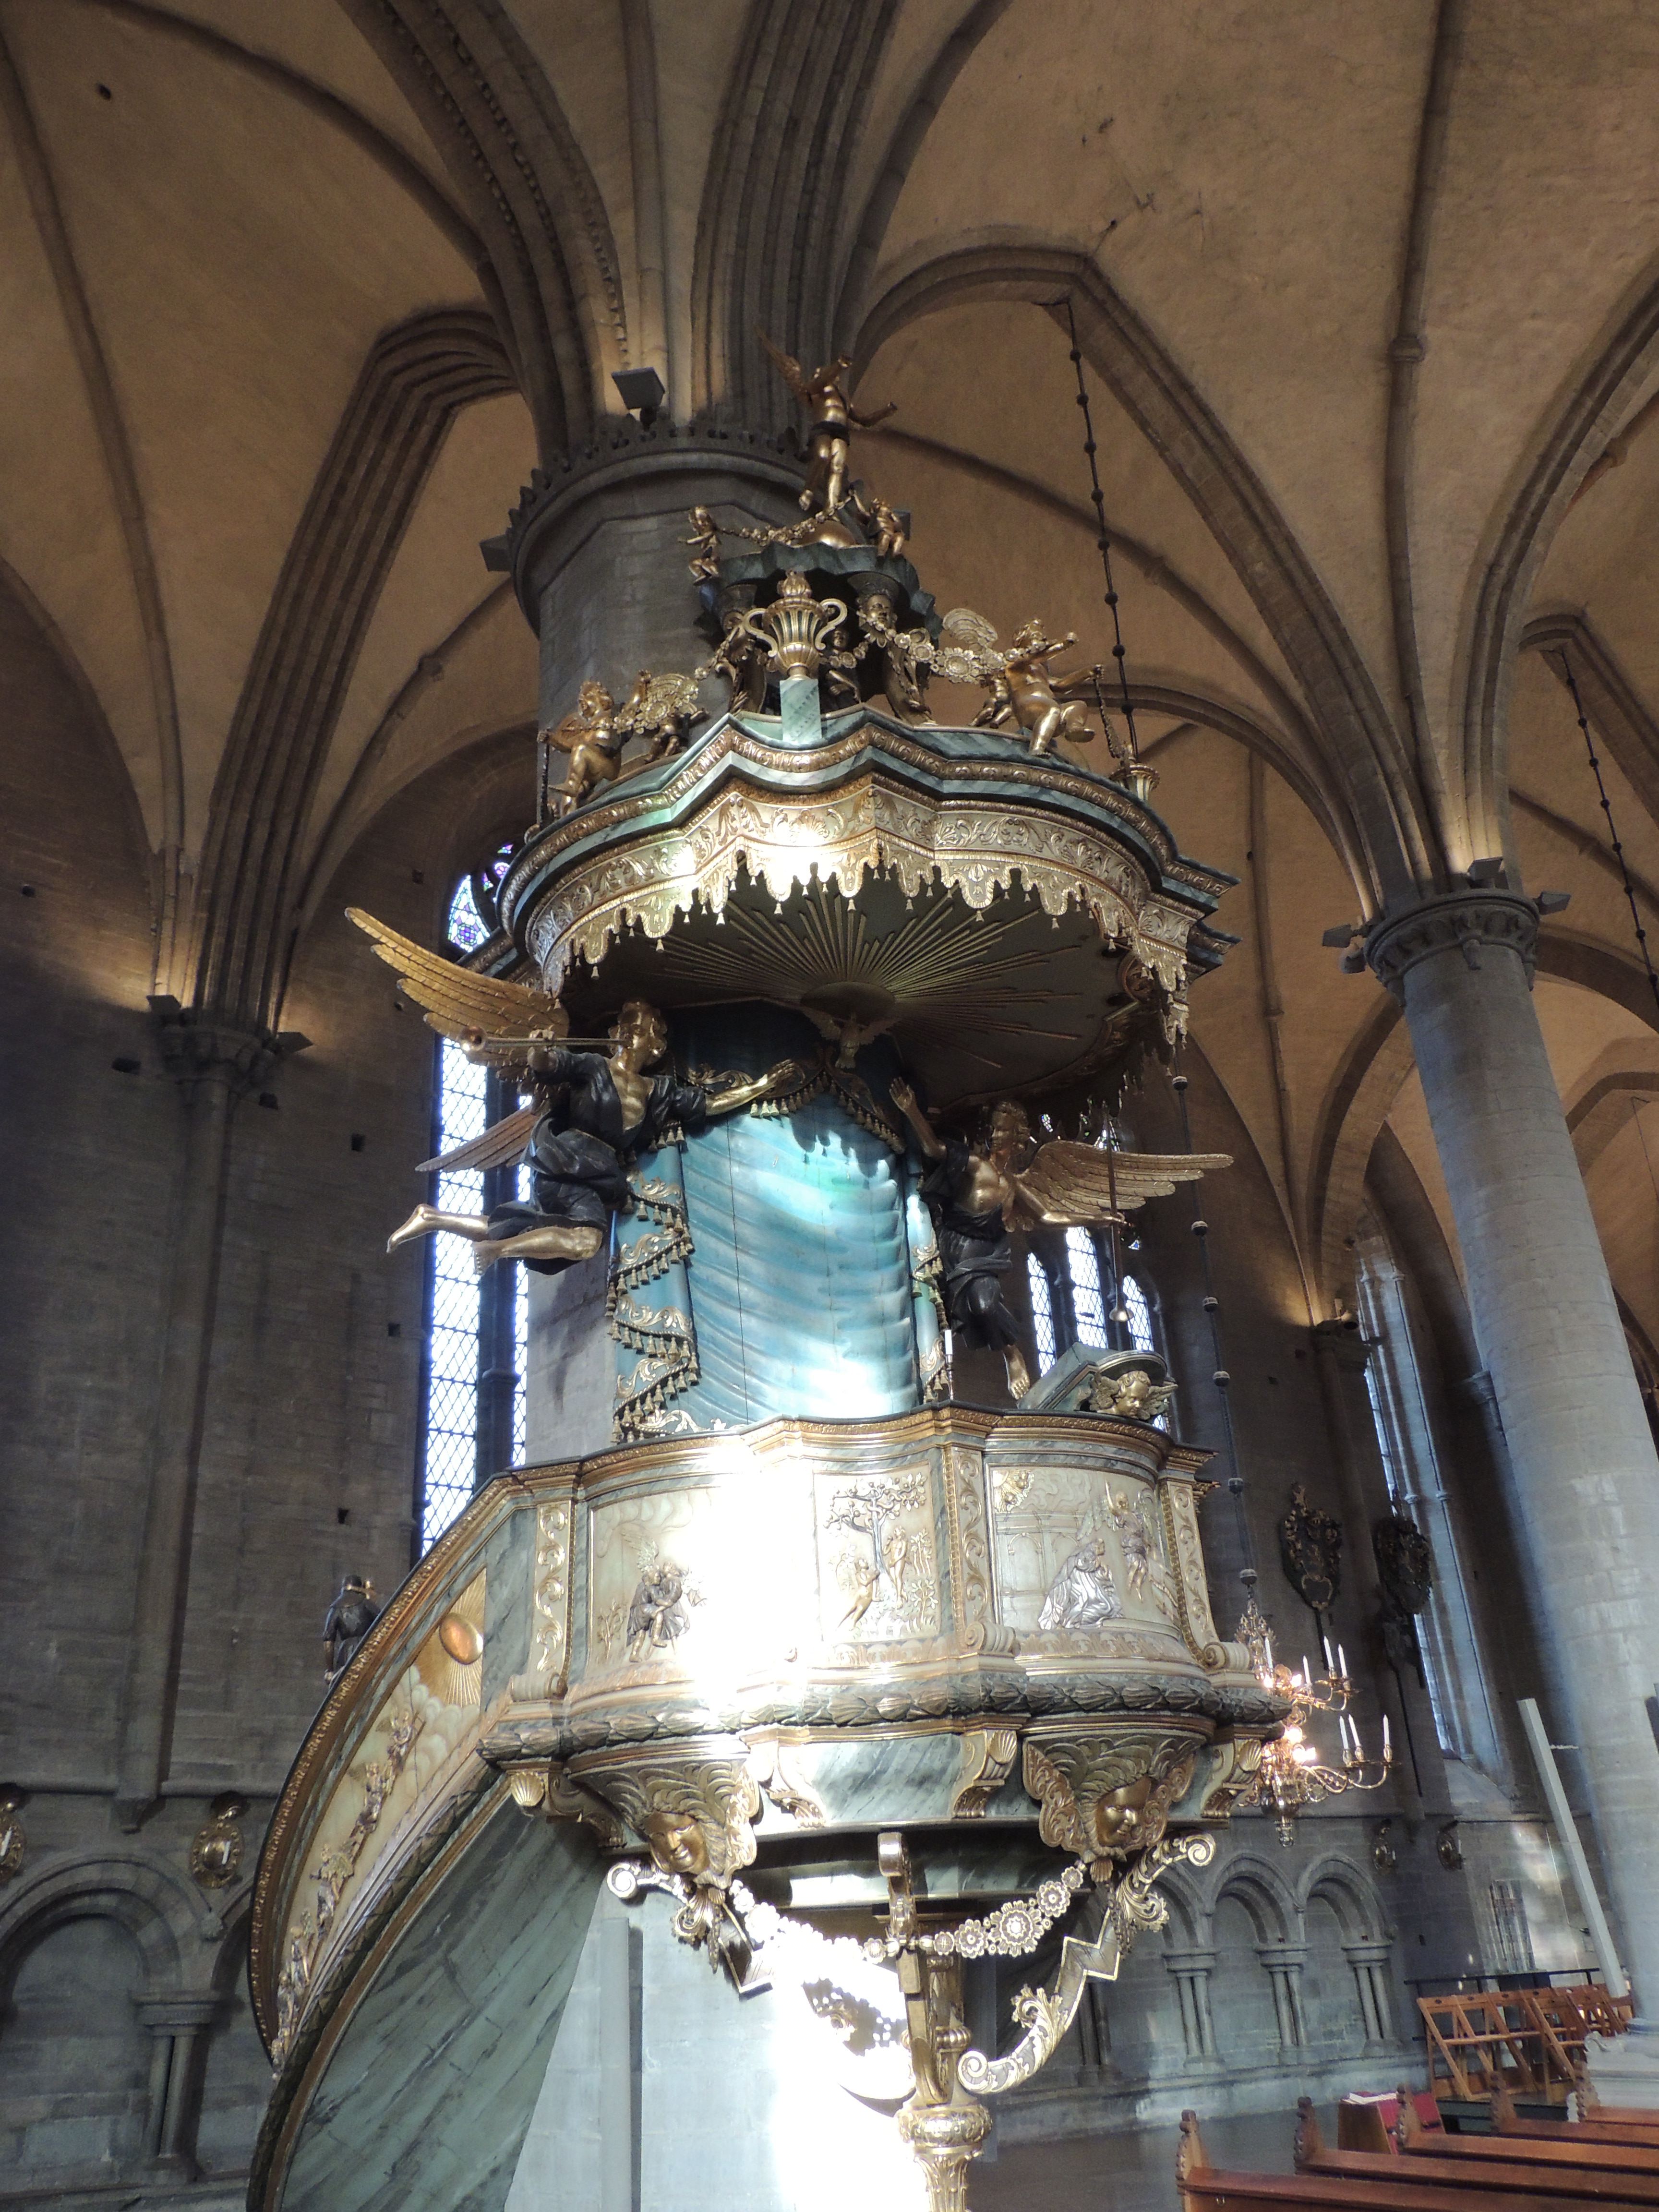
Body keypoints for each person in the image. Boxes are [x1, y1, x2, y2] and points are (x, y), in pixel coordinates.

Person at [387, 1001, 806, 1275]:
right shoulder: (592, 1065)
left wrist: (761, 1086)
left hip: (594, 1173)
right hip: (565, 1159)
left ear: (657, 1046)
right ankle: (495, 1250)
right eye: (632, 1026)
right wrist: (539, 1050)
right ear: (617, 1032)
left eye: (647, 1030)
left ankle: (435, 1219)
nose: (638, 1034)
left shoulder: (657, 1091)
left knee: (545, 1227)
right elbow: (548, 1066)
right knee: (584, 1239)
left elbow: (707, 1104)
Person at [889, 1082, 1034, 1398]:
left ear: (1017, 1137)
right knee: (938, 1305)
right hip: (953, 1245)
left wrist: (1103, 1217)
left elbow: (1048, 1215)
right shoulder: (976, 1164)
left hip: (984, 1255)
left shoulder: (1013, 1184)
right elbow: (934, 1149)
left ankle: (1012, 1355)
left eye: (1003, 1130)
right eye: (992, 1128)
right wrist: (911, 1110)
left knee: (985, 1305)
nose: (995, 1135)